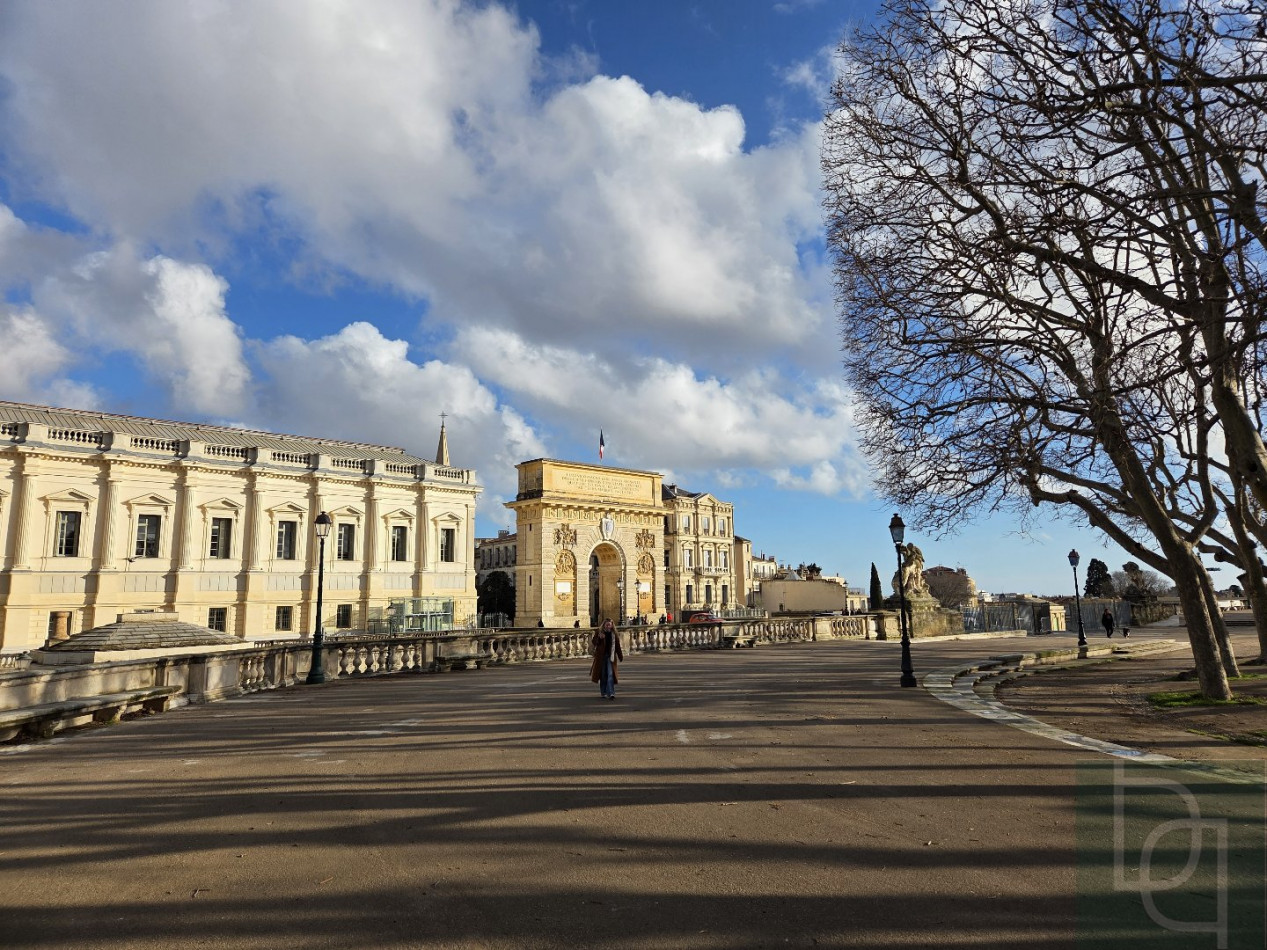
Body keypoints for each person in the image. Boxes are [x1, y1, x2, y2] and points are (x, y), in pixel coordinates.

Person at [590, 618, 624, 701]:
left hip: (611, 657)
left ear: (612, 625)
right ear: (604, 625)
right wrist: (599, 638)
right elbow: (594, 642)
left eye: (610, 624)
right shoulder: (599, 632)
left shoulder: (614, 634)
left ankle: (611, 693)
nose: (608, 626)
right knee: (603, 675)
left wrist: (620, 656)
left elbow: (617, 646)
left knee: (610, 674)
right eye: (607, 624)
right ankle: (603, 692)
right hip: (601, 657)